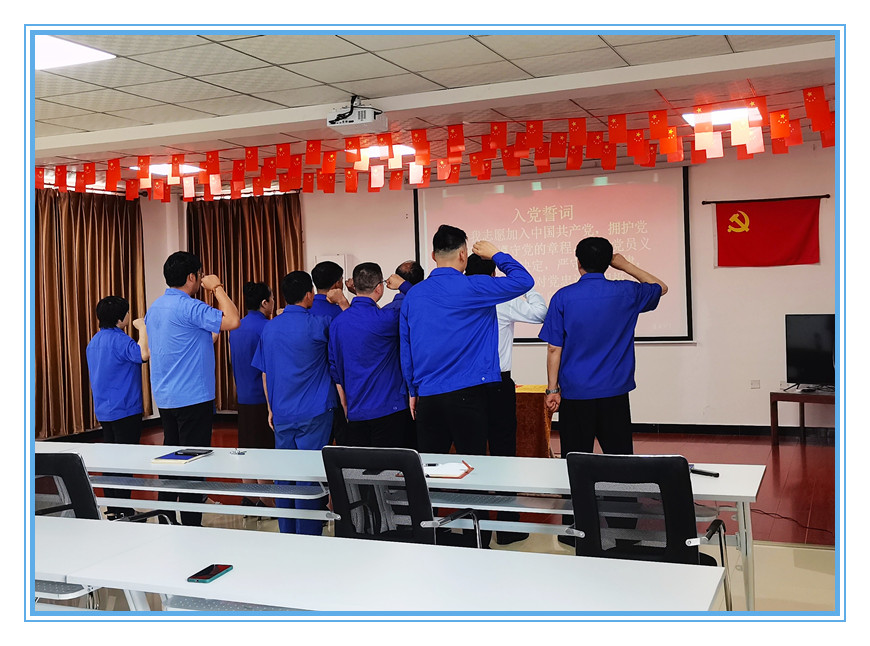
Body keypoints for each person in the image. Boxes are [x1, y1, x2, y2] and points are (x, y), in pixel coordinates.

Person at [399, 224, 534, 456]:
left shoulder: (414, 294)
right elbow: (524, 281)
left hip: (428, 395)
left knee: (431, 468)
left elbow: (406, 347)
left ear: (433, 255)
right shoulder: (475, 286)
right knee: (473, 467)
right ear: (463, 254)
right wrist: (496, 254)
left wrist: (413, 390)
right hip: (468, 395)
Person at [539, 236, 667, 457]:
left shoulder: (563, 297)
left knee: (576, 459)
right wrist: (625, 265)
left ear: (578, 262)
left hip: (576, 392)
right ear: (609, 262)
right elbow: (661, 288)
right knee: (619, 459)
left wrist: (552, 389)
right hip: (614, 391)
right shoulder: (627, 291)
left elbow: (554, 348)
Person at [145, 251, 240, 526]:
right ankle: (190, 525)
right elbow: (233, 320)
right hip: (193, 399)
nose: (201, 279)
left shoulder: (155, 307)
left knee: (171, 461)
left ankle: (165, 518)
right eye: (199, 275)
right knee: (193, 464)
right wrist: (217, 287)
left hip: (166, 398)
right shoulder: (190, 306)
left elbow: (181, 342)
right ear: (191, 277)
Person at [465, 253, 548, 545]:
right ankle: (507, 528)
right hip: (498, 384)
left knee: (471, 456)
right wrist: (526, 288)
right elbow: (539, 313)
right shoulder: (501, 297)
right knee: (503, 454)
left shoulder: (459, 298)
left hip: (464, 385)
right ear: (494, 275)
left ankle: (474, 529)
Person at [251, 271, 338, 535]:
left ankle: (287, 534)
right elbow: (346, 331)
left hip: (282, 412)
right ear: (309, 295)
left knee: (285, 475)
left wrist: (270, 408)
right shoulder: (319, 324)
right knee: (308, 476)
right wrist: (343, 302)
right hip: (314, 411)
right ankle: (308, 537)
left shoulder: (270, 327)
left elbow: (265, 373)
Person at [328, 262, 414, 448]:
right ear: (379, 288)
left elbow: (335, 369)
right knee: (390, 464)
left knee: (362, 465)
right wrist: (402, 285)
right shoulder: (388, 318)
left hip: (356, 410)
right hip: (389, 409)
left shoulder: (337, 323)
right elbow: (420, 299)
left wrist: (346, 407)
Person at [85, 295, 150, 519]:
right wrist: (143, 329)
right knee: (124, 461)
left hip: (104, 409)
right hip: (125, 408)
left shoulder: (94, 342)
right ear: (120, 319)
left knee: (111, 460)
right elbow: (144, 355)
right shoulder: (121, 340)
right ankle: (124, 509)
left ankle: (114, 508)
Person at [228, 281, 275, 510]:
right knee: (265, 452)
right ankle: (267, 501)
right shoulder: (268, 327)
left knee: (248, 448)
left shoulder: (236, 327)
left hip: (243, 396)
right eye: (272, 299)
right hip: (262, 398)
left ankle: (248, 496)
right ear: (264, 303)